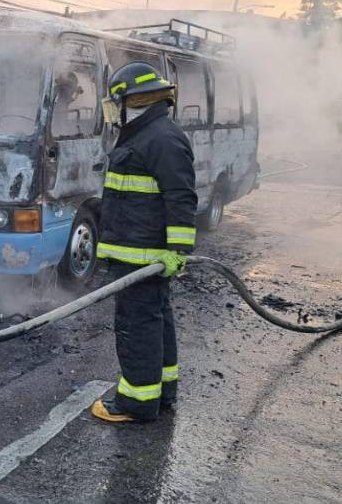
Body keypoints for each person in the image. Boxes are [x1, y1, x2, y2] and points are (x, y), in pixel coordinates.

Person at [91, 62, 197, 424]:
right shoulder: (145, 134)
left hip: (143, 257)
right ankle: (161, 391)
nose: (111, 111)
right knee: (156, 319)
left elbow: (181, 197)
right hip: (139, 255)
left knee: (138, 325)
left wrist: (177, 251)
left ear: (129, 100)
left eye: (114, 102)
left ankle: (136, 403)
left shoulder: (160, 138)